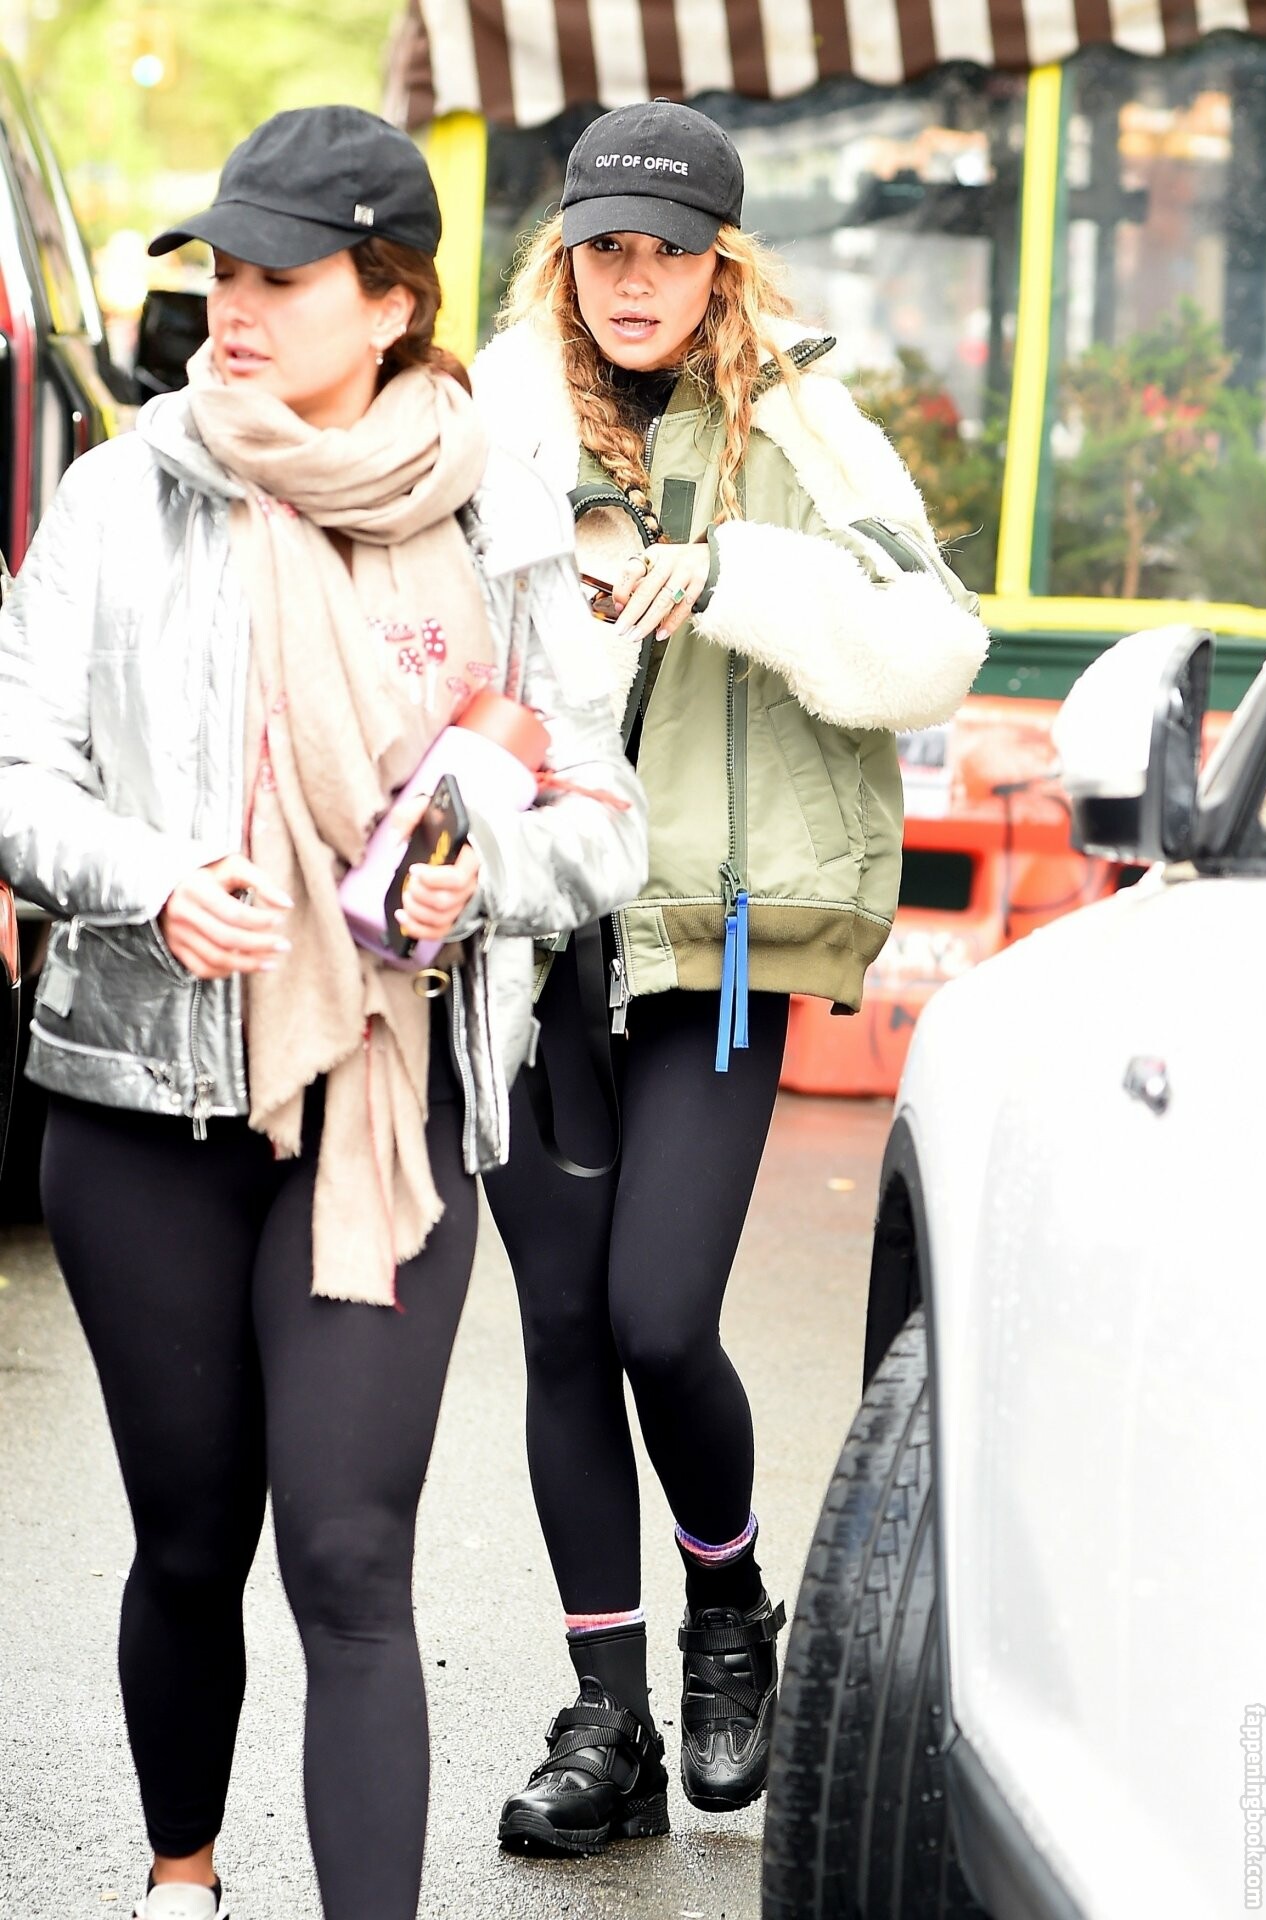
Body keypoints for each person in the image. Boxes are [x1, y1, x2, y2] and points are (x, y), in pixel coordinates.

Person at [0, 105, 646, 1920]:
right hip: (143, 1101)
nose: (236, 307)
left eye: (281, 277)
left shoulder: (503, 519)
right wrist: (150, 877)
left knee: (351, 1557)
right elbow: (17, 770)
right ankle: (182, 1876)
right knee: (191, 1539)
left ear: (390, 303)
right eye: (222, 270)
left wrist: (481, 876)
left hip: (389, 1103)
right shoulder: (126, 494)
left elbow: (599, 809)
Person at [470, 98, 989, 1854]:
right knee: (558, 1329)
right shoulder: (494, 419)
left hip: (715, 935)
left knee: (656, 1319)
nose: (635, 282)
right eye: (605, 250)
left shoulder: (804, 424)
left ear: (721, 264)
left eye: (670, 253)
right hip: (531, 931)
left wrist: (735, 577)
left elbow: (932, 648)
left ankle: (726, 1607)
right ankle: (605, 1716)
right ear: (564, 257)